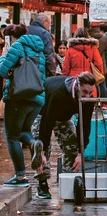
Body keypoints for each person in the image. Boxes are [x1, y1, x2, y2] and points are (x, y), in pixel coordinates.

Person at [32, 71, 96, 200]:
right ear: (77, 86)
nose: (87, 96)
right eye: (84, 92)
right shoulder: (58, 93)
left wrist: (80, 152)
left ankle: (69, 183)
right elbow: (47, 122)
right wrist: (43, 151)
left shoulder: (88, 99)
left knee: (71, 148)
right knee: (40, 150)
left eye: (90, 93)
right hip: (42, 112)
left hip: (64, 117)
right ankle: (42, 185)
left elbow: (84, 125)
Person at [0, 24, 46, 186]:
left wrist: (4, 55)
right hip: (37, 98)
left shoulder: (16, 47)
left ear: (10, 37)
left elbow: (3, 71)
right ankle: (33, 143)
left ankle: (20, 176)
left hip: (18, 97)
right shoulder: (38, 49)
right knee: (23, 131)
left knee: (12, 136)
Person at [28, 13, 56, 78]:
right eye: (49, 24)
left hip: (24, 68)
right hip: (39, 69)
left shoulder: (25, 30)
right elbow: (49, 55)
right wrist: (52, 73)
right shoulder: (44, 33)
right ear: (45, 22)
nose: (49, 27)